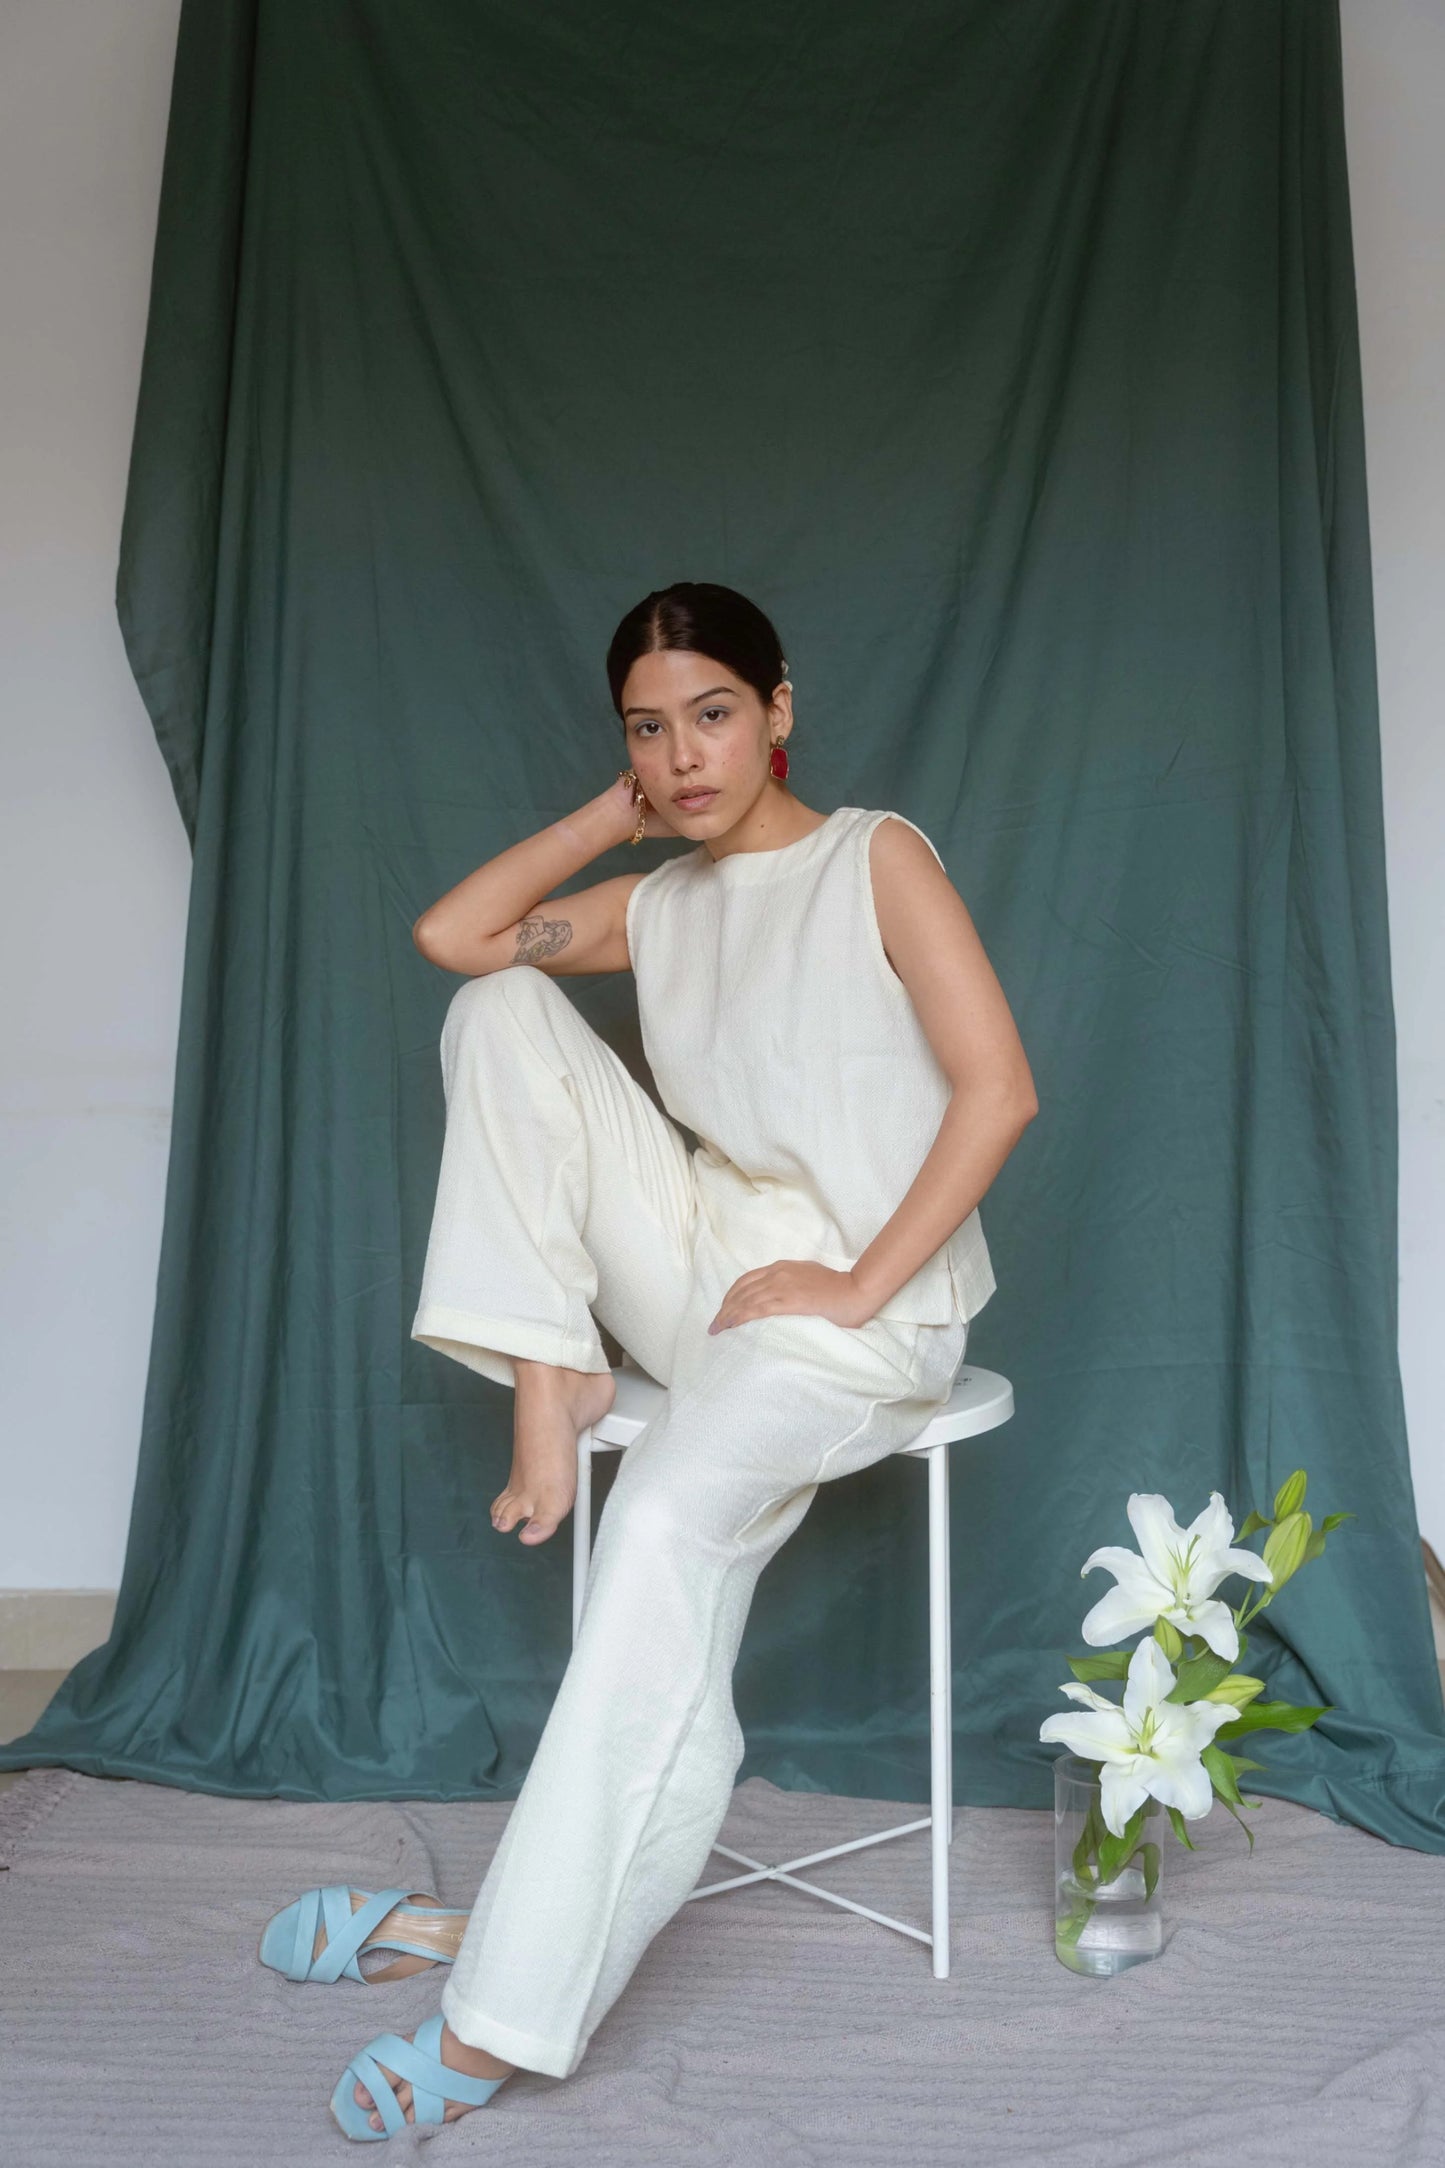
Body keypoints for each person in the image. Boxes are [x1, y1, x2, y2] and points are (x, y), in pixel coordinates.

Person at [309, 581, 1038, 2136]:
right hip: (701, 1275)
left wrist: (855, 1282)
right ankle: (546, 1366)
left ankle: (500, 1999)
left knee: (654, 1537)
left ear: (780, 708)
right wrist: (613, 815)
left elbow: (997, 1093)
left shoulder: (875, 859)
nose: (686, 754)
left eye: (713, 713)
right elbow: (461, 937)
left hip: (865, 1309)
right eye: (650, 728)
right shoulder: (661, 901)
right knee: (499, 1008)